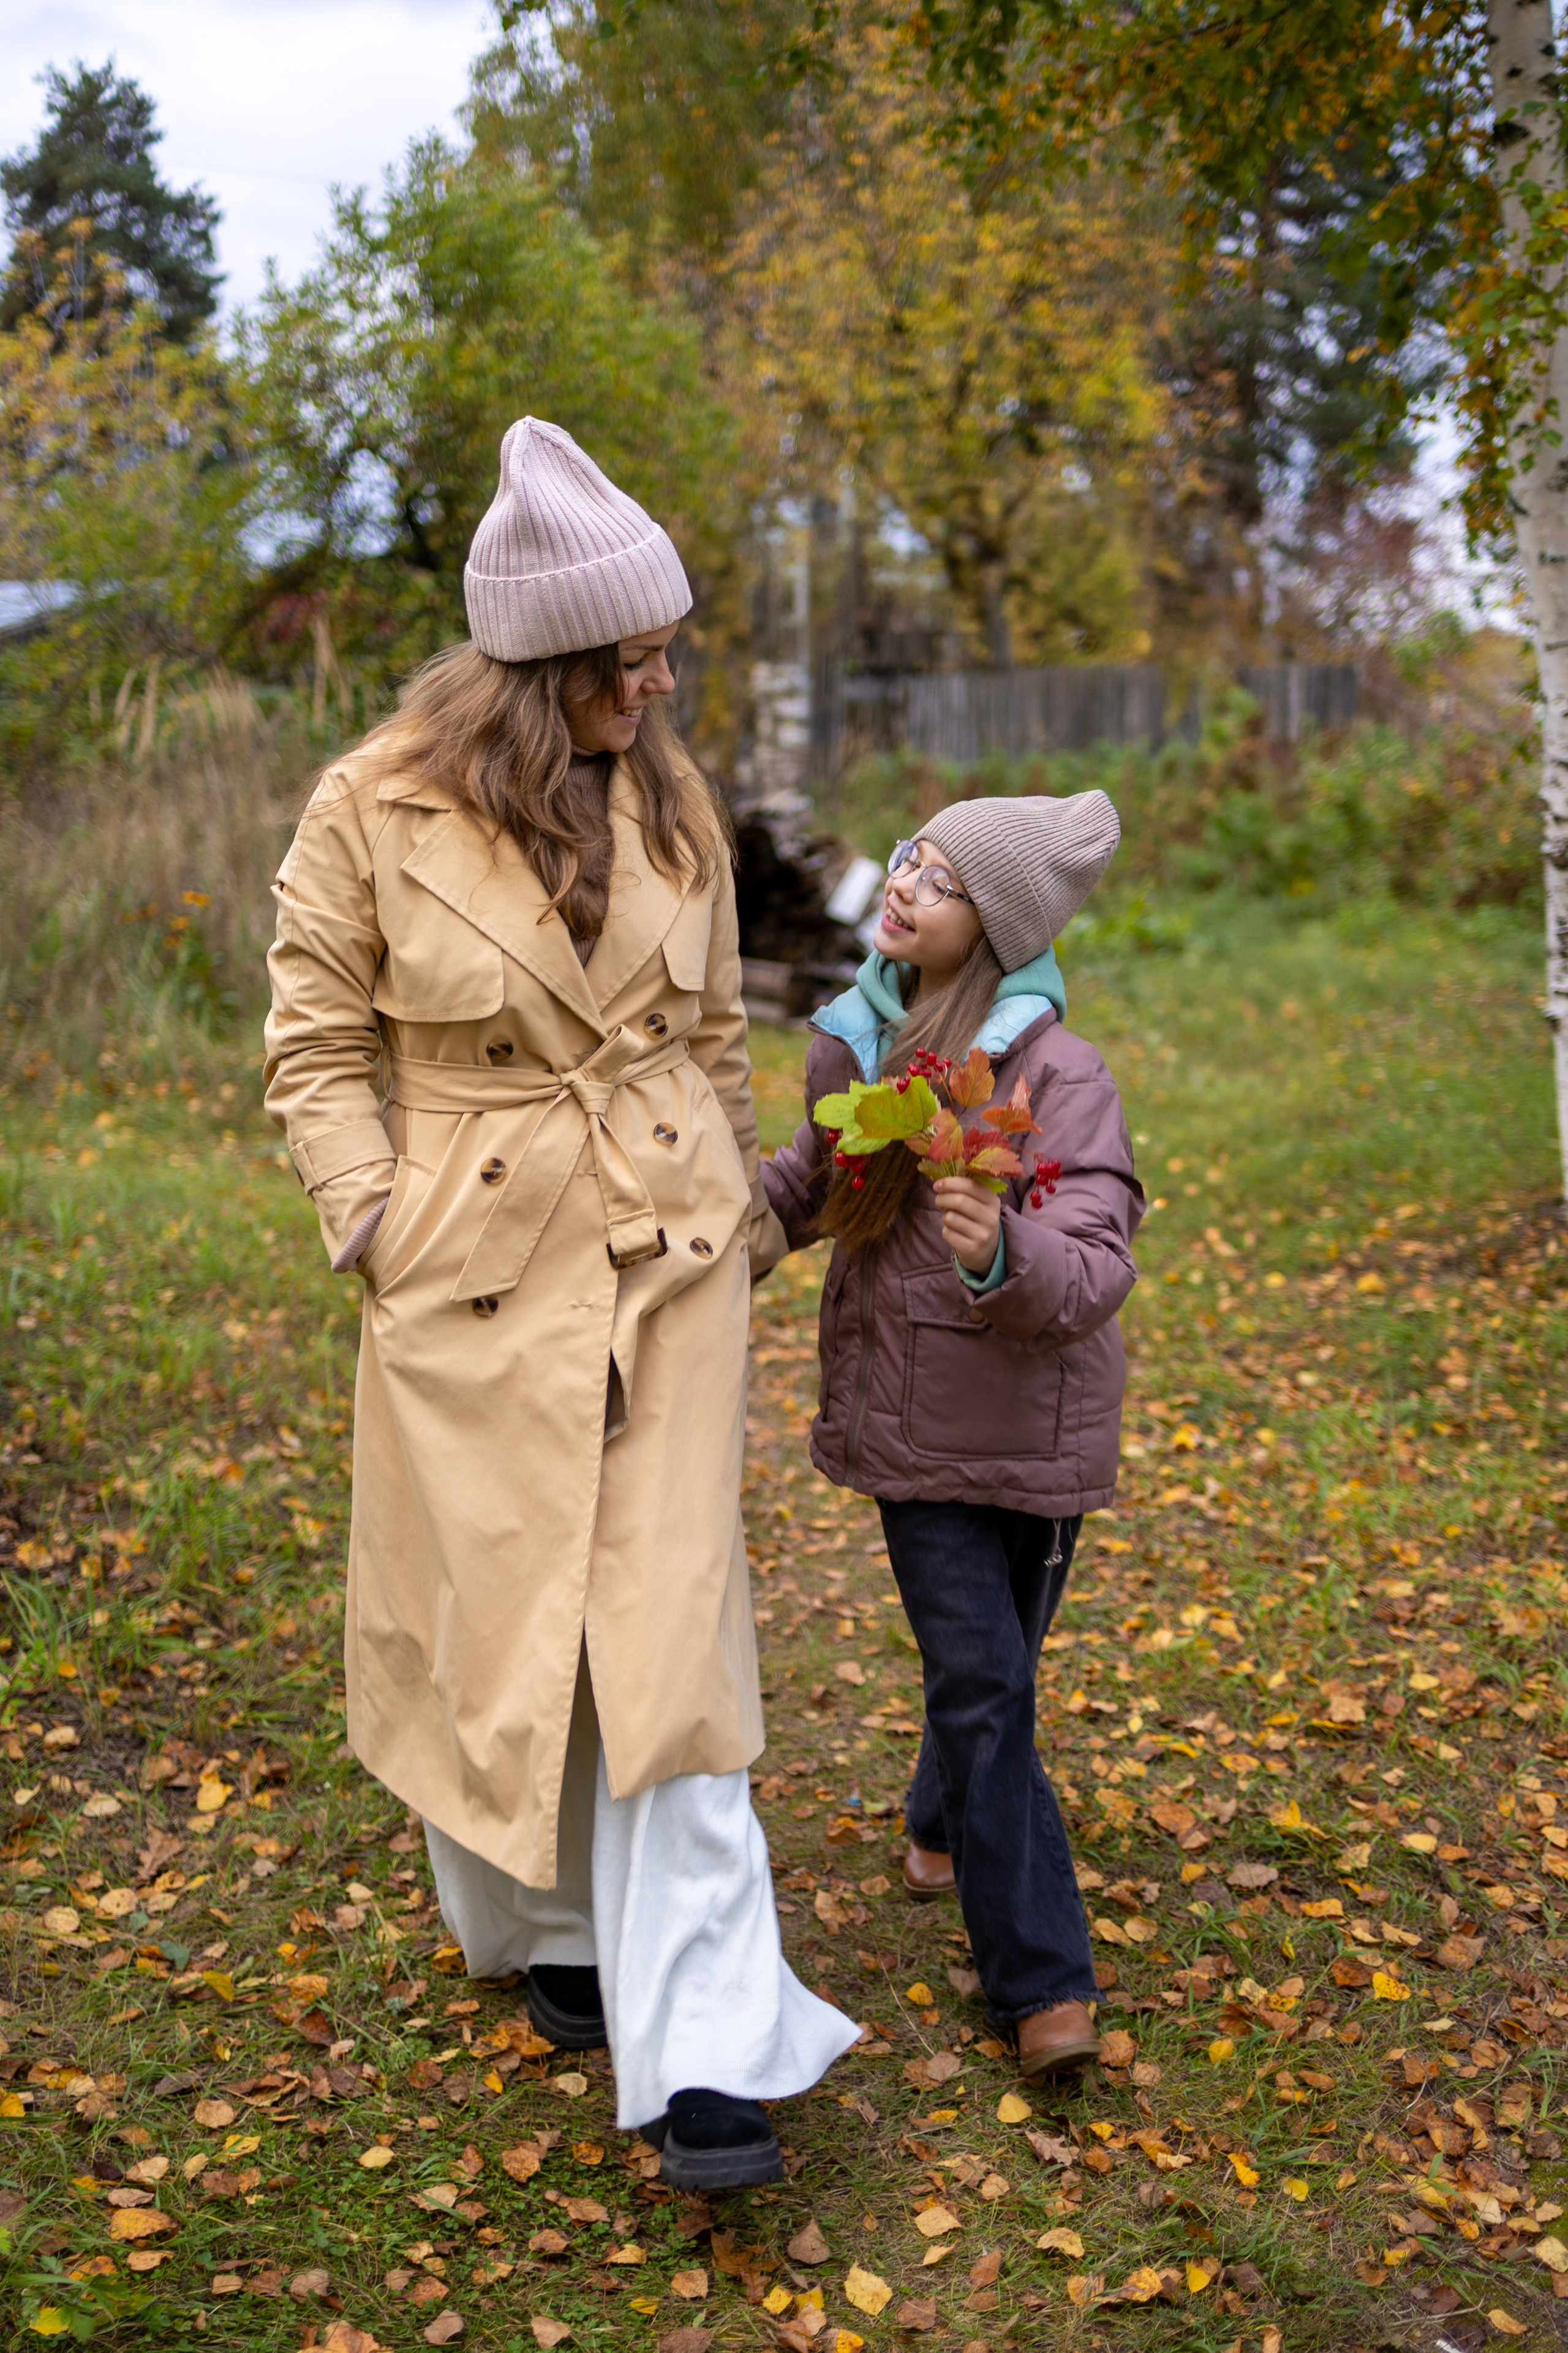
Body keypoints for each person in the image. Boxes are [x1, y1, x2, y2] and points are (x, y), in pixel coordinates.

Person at [263, 415, 856, 2187]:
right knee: (506, 1613)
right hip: (475, 1253)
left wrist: (749, 1215)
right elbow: (313, 1043)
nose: (661, 680)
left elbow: (700, 1030)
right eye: (631, 656)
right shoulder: (374, 802)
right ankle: (553, 1927)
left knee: (669, 1631)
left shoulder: (671, 790)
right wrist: (372, 1218)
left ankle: (705, 2059)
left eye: (667, 649)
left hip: (671, 1245)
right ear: (539, 662)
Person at [758, 794, 1144, 2079]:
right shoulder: (856, 1048)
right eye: (908, 859)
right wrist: (736, 1232)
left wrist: (1003, 1250)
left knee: (995, 1674)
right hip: (917, 1428)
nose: (906, 884)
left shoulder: (1055, 1075)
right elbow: (817, 1180)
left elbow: (1093, 1260)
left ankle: (937, 1819)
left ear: (999, 925)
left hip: (1033, 1438)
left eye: (942, 878)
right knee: (985, 1684)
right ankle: (1041, 1979)